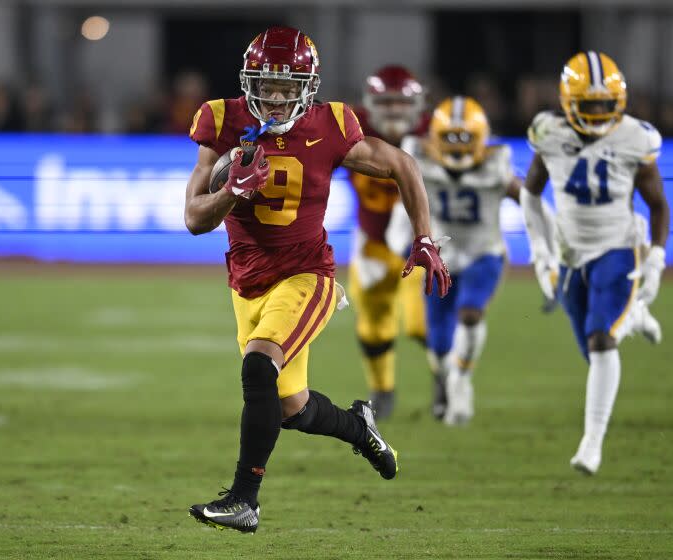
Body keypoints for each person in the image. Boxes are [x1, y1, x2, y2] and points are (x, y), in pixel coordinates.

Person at [183, 26, 450, 532]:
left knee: (259, 367)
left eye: (288, 87)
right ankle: (360, 429)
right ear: (248, 83)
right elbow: (195, 218)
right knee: (290, 407)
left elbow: (403, 165)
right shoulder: (219, 120)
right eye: (266, 85)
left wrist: (425, 239)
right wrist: (230, 194)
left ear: (309, 86)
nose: (276, 98)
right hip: (247, 282)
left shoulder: (332, 125)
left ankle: (245, 500)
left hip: (308, 275)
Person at [521, 51, 670, 475]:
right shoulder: (548, 132)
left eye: (607, 106)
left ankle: (592, 443)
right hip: (570, 255)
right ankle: (635, 315)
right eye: (591, 107)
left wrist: (656, 260)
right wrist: (541, 254)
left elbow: (658, 205)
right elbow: (530, 195)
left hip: (618, 248)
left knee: (601, 340)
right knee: (591, 350)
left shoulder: (635, 139)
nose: (600, 115)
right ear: (568, 102)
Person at [386, 96, 523, 424]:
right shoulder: (419, 159)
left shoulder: (496, 163)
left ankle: (460, 382)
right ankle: (449, 379)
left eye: (464, 138)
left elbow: (528, 201)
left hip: (482, 253)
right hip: (441, 257)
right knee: (438, 342)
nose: (457, 146)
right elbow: (405, 202)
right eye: (449, 137)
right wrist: (399, 238)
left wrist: (549, 244)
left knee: (471, 312)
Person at [348, 65, 430, 420]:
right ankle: (381, 390)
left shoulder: (435, 132)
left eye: (401, 103)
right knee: (373, 320)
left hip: (420, 241)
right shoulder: (350, 128)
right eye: (387, 103)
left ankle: (448, 380)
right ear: (371, 103)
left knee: (421, 322)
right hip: (372, 241)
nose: (395, 110)